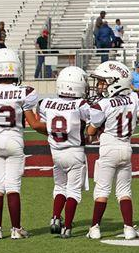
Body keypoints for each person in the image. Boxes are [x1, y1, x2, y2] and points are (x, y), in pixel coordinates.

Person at [0, 48, 44, 240]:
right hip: (14, 140)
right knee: (13, 186)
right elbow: (33, 120)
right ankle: (16, 229)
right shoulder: (26, 92)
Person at [85, 61, 139, 240]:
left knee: (102, 190)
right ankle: (128, 228)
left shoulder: (103, 104)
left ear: (115, 82)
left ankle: (95, 228)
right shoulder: (134, 98)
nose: (100, 86)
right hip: (126, 147)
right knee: (124, 191)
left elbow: (91, 131)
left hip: (108, 147)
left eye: (104, 81)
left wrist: (93, 129)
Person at [36, 67, 90, 238]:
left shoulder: (46, 103)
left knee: (60, 187)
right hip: (74, 152)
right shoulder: (81, 104)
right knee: (73, 191)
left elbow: (44, 125)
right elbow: (95, 122)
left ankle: (54, 218)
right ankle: (67, 227)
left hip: (56, 152)